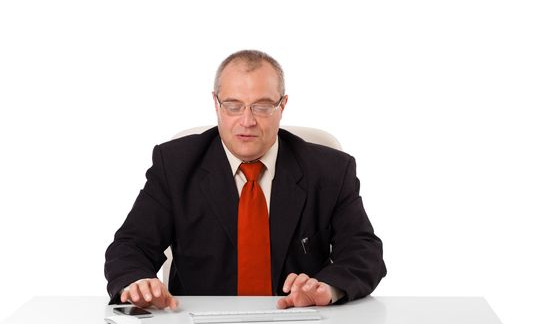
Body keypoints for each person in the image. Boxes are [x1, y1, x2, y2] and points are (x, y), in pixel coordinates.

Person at [104, 50, 386, 310]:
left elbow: (364, 251)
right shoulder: (175, 165)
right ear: (216, 104)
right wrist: (137, 282)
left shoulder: (330, 170)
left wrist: (327, 288)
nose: (247, 121)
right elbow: (131, 246)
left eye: (262, 106)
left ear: (282, 105)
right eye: (233, 106)